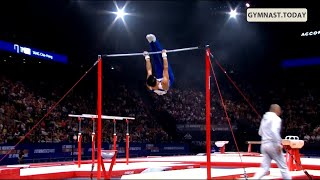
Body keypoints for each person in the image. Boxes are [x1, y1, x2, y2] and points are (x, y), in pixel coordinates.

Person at [253, 104, 291, 179]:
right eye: (279, 110)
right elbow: (274, 131)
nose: (280, 112)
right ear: (276, 110)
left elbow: (260, 132)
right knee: (283, 167)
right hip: (273, 145)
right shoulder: (276, 119)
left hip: (264, 145)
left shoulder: (264, 118)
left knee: (264, 168)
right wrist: (278, 144)